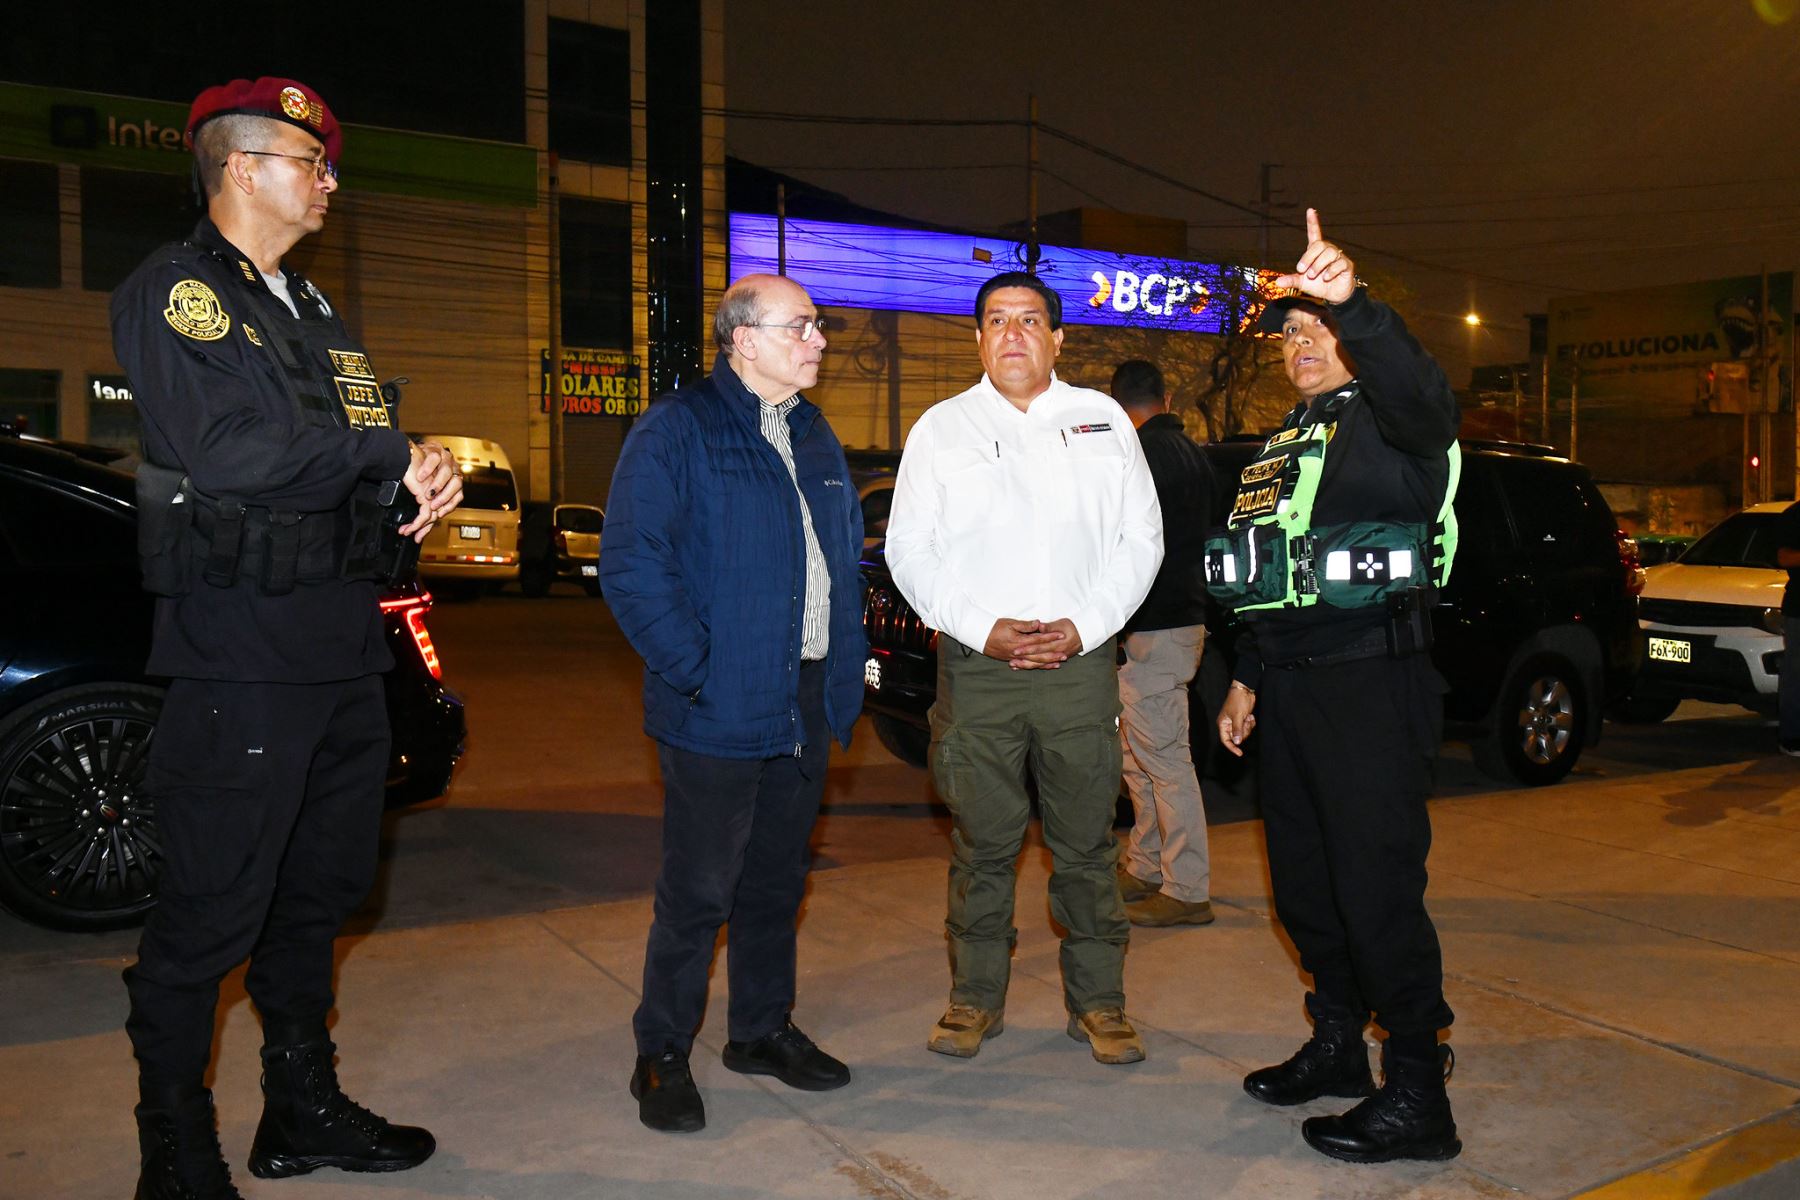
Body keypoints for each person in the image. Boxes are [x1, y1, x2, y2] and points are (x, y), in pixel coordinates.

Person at [111, 78, 461, 1198]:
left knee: (319, 893)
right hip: (243, 651)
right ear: (242, 168)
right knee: (211, 908)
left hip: (342, 642)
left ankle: (301, 1111)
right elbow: (230, 453)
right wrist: (382, 456)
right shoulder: (178, 292)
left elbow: (357, 440)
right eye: (311, 163)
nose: (328, 182)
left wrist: (418, 474)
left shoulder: (308, 307)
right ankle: (174, 1146)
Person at [1211, 209, 1462, 1163]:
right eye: (1290, 333)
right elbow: (1272, 573)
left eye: (1320, 328)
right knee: (1307, 888)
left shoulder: (1399, 425)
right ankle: (1338, 1046)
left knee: (1376, 888)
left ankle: (1418, 1092)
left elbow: (1422, 394)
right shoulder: (1288, 440)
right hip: (1292, 688)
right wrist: (1247, 675)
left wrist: (1354, 303)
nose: (1302, 343)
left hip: (1372, 688)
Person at [600, 273, 867, 1134]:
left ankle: (759, 1030)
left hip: (803, 696)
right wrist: (699, 669)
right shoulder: (678, 428)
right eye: (801, 327)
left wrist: (845, 668)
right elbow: (632, 564)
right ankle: (661, 1053)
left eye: (818, 327)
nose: (818, 340)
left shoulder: (815, 434)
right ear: (743, 340)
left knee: (776, 882)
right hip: (719, 698)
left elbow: (839, 563)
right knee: (699, 889)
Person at [886, 271, 1163, 1065]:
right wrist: (983, 629)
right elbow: (909, 549)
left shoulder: (1102, 421)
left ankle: (1100, 1005)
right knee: (982, 845)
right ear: (978, 339)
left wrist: (1085, 627)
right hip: (980, 672)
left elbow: (1141, 540)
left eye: (1030, 320)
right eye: (998, 320)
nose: (1014, 333)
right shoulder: (942, 429)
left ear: (1058, 338)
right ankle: (974, 1000)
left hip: (1079, 669)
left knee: (1085, 847)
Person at [1110, 359, 1217, 927]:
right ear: (1167, 398)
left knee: (1165, 760)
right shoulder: (1193, 454)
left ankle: (1186, 889)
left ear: (1117, 404)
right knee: (1141, 758)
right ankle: (1146, 866)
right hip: (1178, 622)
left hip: (1157, 627)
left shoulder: (1138, 457)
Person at [1777, 504, 1800, 755]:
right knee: (1796, 673)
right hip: (1799, 607)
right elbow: (1785, 557)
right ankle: (1792, 737)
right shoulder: (1795, 516)